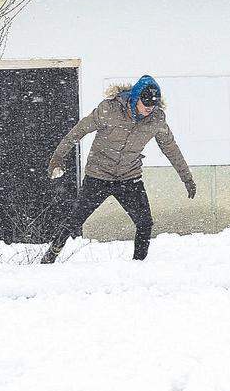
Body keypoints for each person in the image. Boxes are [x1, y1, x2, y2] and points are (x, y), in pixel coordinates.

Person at [40, 75, 196, 263]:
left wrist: (186, 178)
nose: (149, 108)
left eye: (153, 105)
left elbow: (171, 148)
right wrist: (58, 156)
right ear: (135, 97)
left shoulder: (156, 120)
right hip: (98, 175)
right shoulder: (109, 109)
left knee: (145, 223)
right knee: (75, 220)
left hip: (129, 177)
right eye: (145, 103)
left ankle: (138, 265)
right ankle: (49, 257)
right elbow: (79, 130)